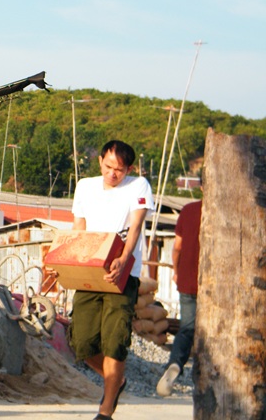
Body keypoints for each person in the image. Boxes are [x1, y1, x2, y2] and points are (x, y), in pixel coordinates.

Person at [70, 140, 154, 420]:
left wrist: (123, 258)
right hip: (90, 273)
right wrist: (72, 263)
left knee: (115, 341)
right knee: (80, 342)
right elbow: (79, 229)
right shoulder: (85, 186)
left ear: (128, 168)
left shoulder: (138, 185)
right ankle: (116, 381)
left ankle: (105, 412)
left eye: (119, 169)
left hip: (122, 274)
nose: (112, 174)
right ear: (100, 162)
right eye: (108, 167)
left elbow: (136, 226)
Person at [156, 197, 201, 397]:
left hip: (188, 280)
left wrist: (176, 270)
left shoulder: (189, 210)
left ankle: (175, 363)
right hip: (216, 284)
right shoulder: (226, 208)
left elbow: (177, 247)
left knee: (187, 328)